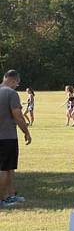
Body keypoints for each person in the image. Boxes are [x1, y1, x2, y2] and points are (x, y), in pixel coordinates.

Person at [1, 70, 31, 208]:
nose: (16, 86)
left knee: (10, 167)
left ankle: (11, 193)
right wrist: (26, 132)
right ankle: (3, 198)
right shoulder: (11, 93)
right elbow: (18, 115)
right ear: (13, 80)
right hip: (7, 137)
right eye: (17, 84)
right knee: (4, 168)